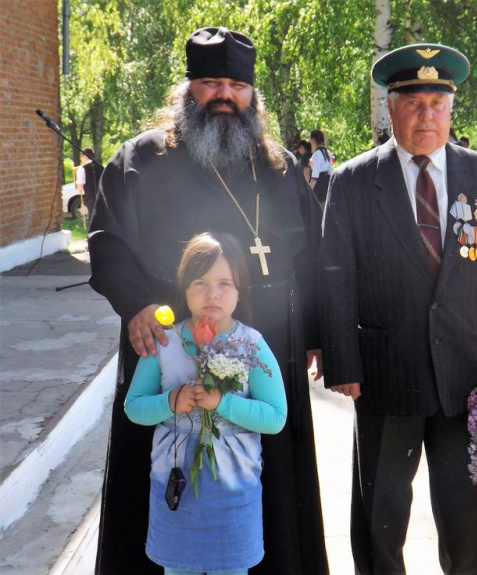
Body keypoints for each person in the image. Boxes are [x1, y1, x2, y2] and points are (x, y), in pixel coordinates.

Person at [88, 27, 329, 575]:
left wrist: (315, 335)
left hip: (269, 339)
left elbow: (314, 255)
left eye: (237, 86)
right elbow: (106, 242)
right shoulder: (140, 159)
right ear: (187, 89)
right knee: (160, 473)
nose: (225, 95)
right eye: (211, 83)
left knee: (273, 484)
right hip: (167, 335)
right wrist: (137, 304)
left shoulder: (278, 167)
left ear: (253, 95)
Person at [319, 43, 477, 574]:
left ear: (451, 110)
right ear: (391, 109)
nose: (426, 116)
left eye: (437, 104)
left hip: (469, 375)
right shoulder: (352, 181)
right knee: (382, 514)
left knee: (466, 518)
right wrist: (342, 362)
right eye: (413, 104)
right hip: (386, 374)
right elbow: (334, 279)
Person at [124, 232, 287, 575]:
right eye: (200, 282)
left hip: (234, 494)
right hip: (176, 492)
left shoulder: (251, 344)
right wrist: (171, 401)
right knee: (178, 568)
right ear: (184, 288)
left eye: (225, 284)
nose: (213, 293)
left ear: (241, 290)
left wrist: (222, 403)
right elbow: (134, 406)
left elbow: (275, 417)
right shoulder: (165, 341)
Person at [75, 147, 102, 218]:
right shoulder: (100, 167)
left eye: (81, 156)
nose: (80, 158)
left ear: (85, 156)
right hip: (102, 198)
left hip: (91, 198)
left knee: (93, 218)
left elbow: (79, 187)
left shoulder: (82, 169)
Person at [309, 129, 332, 204]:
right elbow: (330, 172)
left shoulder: (316, 154)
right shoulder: (328, 152)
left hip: (318, 187)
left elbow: (315, 176)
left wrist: (309, 191)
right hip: (327, 184)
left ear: (313, 140)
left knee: (319, 208)